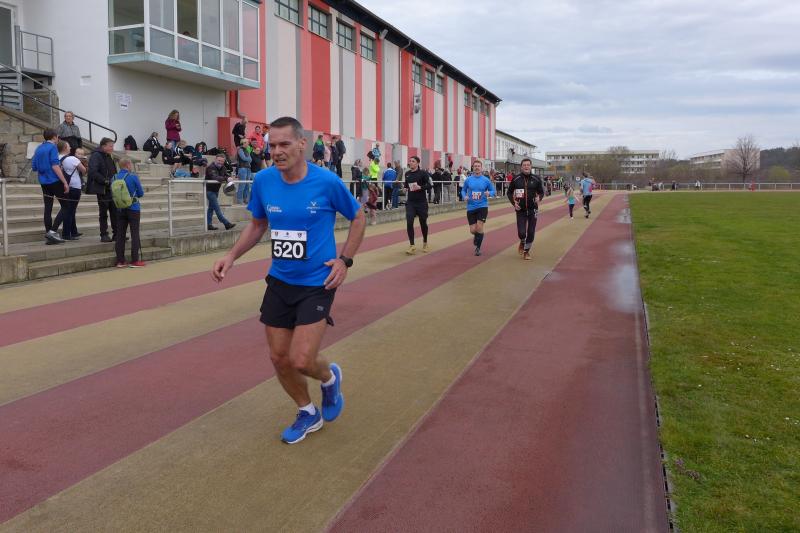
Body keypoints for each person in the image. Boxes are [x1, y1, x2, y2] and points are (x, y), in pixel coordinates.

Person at [211, 116, 366, 445]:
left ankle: (329, 378)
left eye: (284, 144)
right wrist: (231, 256)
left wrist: (345, 260)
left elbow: (358, 216)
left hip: (317, 283)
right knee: (279, 358)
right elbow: (258, 224)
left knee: (302, 359)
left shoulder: (326, 182)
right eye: (272, 145)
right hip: (280, 281)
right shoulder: (264, 180)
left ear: (301, 144)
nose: (277, 151)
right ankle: (308, 412)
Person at [31, 128, 70, 244]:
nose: (58, 139)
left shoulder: (38, 148)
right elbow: (55, 166)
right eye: (57, 137)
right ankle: (52, 231)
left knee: (48, 208)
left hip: (43, 182)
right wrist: (65, 182)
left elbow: (34, 167)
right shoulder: (53, 147)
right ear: (54, 137)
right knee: (66, 206)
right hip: (54, 181)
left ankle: (49, 235)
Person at [507, 158, 545, 261]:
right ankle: (522, 241)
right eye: (524, 165)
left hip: (533, 210)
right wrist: (514, 203)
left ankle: (526, 251)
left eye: (528, 165)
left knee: (531, 232)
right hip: (521, 210)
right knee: (522, 233)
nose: (526, 166)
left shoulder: (536, 179)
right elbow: (509, 192)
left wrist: (539, 198)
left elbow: (541, 192)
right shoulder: (516, 179)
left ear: (531, 166)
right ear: (521, 167)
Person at [113, 158, 145, 268]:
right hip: (133, 208)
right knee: (134, 234)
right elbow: (140, 193)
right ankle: (135, 260)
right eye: (130, 164)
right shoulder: (132, 177)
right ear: (127, 165)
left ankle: (120, 261)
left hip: (120, 208)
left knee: (120, 235)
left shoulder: (114, 177)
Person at [461, 160, 496, 256]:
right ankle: (477, 236)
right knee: (473, 230)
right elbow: (463, 190)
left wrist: (489, 193)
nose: (477, 168)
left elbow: (493, 191)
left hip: (482, 206)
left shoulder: (486, 180)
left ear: (481, 168)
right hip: (471, 207)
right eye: (475, 166)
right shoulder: (468, 179)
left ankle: (478, 248)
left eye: (478, 166)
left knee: (479, 227)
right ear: (473, 168)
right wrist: (464, 196)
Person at [87, 137, 118, 242]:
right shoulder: (96, 155)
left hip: (112, 188)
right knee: (103, 213)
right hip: (103, 188)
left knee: (114, 212)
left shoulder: (108, 155)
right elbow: (93, 172)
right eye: (111, 146)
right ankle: (104, 234)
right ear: (103, 146)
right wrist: (105, 181)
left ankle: (116, 234)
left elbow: (113, 171)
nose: (112, 148)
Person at [52, 141, 85, 240]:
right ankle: (66, 234)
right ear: (65, 148)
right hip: (74, 186)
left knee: (70, 209)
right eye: (69, 146)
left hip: (64, 186)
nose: (70, 148)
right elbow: (84, 170)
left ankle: (73, 231)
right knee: (70, 211)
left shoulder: (57, 158)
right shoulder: (72, 159)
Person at [403, 155, 432, 255]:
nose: (410, 163)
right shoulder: (407, 174)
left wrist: (420, 187)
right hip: (411, 203)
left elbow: (430, 185)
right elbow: (406, 185)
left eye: (413, 161)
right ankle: (412, 245)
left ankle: (425, 242)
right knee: (409, 221)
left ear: (417, 163)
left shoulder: (423, 173)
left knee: (423, 222)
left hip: (421, 203)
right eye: (410, 161)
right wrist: (405, 188)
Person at [205, 154, 237, 231]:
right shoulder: (210, 167)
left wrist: (229, 177)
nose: (220, 162)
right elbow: (215, 177)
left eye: (222, 161)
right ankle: (226, 223)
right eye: (219, 160)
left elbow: (226, 175)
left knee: (211, 208)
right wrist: (226, 178)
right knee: (217, 208)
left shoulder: (223, 167)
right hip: (209, 191)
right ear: (215, 159)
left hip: (216, 190)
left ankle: (209, 224)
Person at [236, 139, 253, 204]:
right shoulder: (240, 149)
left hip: (248, 168)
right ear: (244, 143)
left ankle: (246, 199)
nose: (248, 144)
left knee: (247, 185)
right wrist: (248, 159)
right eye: (247, 143)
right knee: (242, 184)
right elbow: (244, 158)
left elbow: (250, 160)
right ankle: (239, 199)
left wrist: (248, 159)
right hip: (242, 168)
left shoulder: (246, 150)